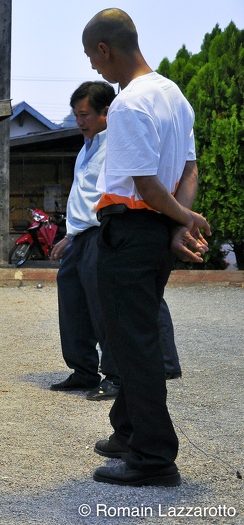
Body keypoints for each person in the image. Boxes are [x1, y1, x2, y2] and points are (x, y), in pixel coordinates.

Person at [82, 9, 210, 487]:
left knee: (132, 345)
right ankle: (127, 431)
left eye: (93, 60)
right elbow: (189, 171)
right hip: (153, 234)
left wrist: (182, 219)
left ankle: (154, 458)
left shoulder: (129, 103)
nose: (95, 71)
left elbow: (146, 184)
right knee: (130, 334)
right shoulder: (174, 95)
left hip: (132, 231)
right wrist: (178, 225)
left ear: (104, 50)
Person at [49, 81, 182, 402]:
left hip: (104, 232)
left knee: (108, 307)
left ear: (106, 113)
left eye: (85, 115)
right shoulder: (86, 146)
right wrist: (69, 235)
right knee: (73, 306)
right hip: (78, 237)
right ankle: (82, 370)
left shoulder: (118, 143)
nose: (79, 122)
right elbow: (82, 193)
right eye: (76, 115)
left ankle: (117, 375)